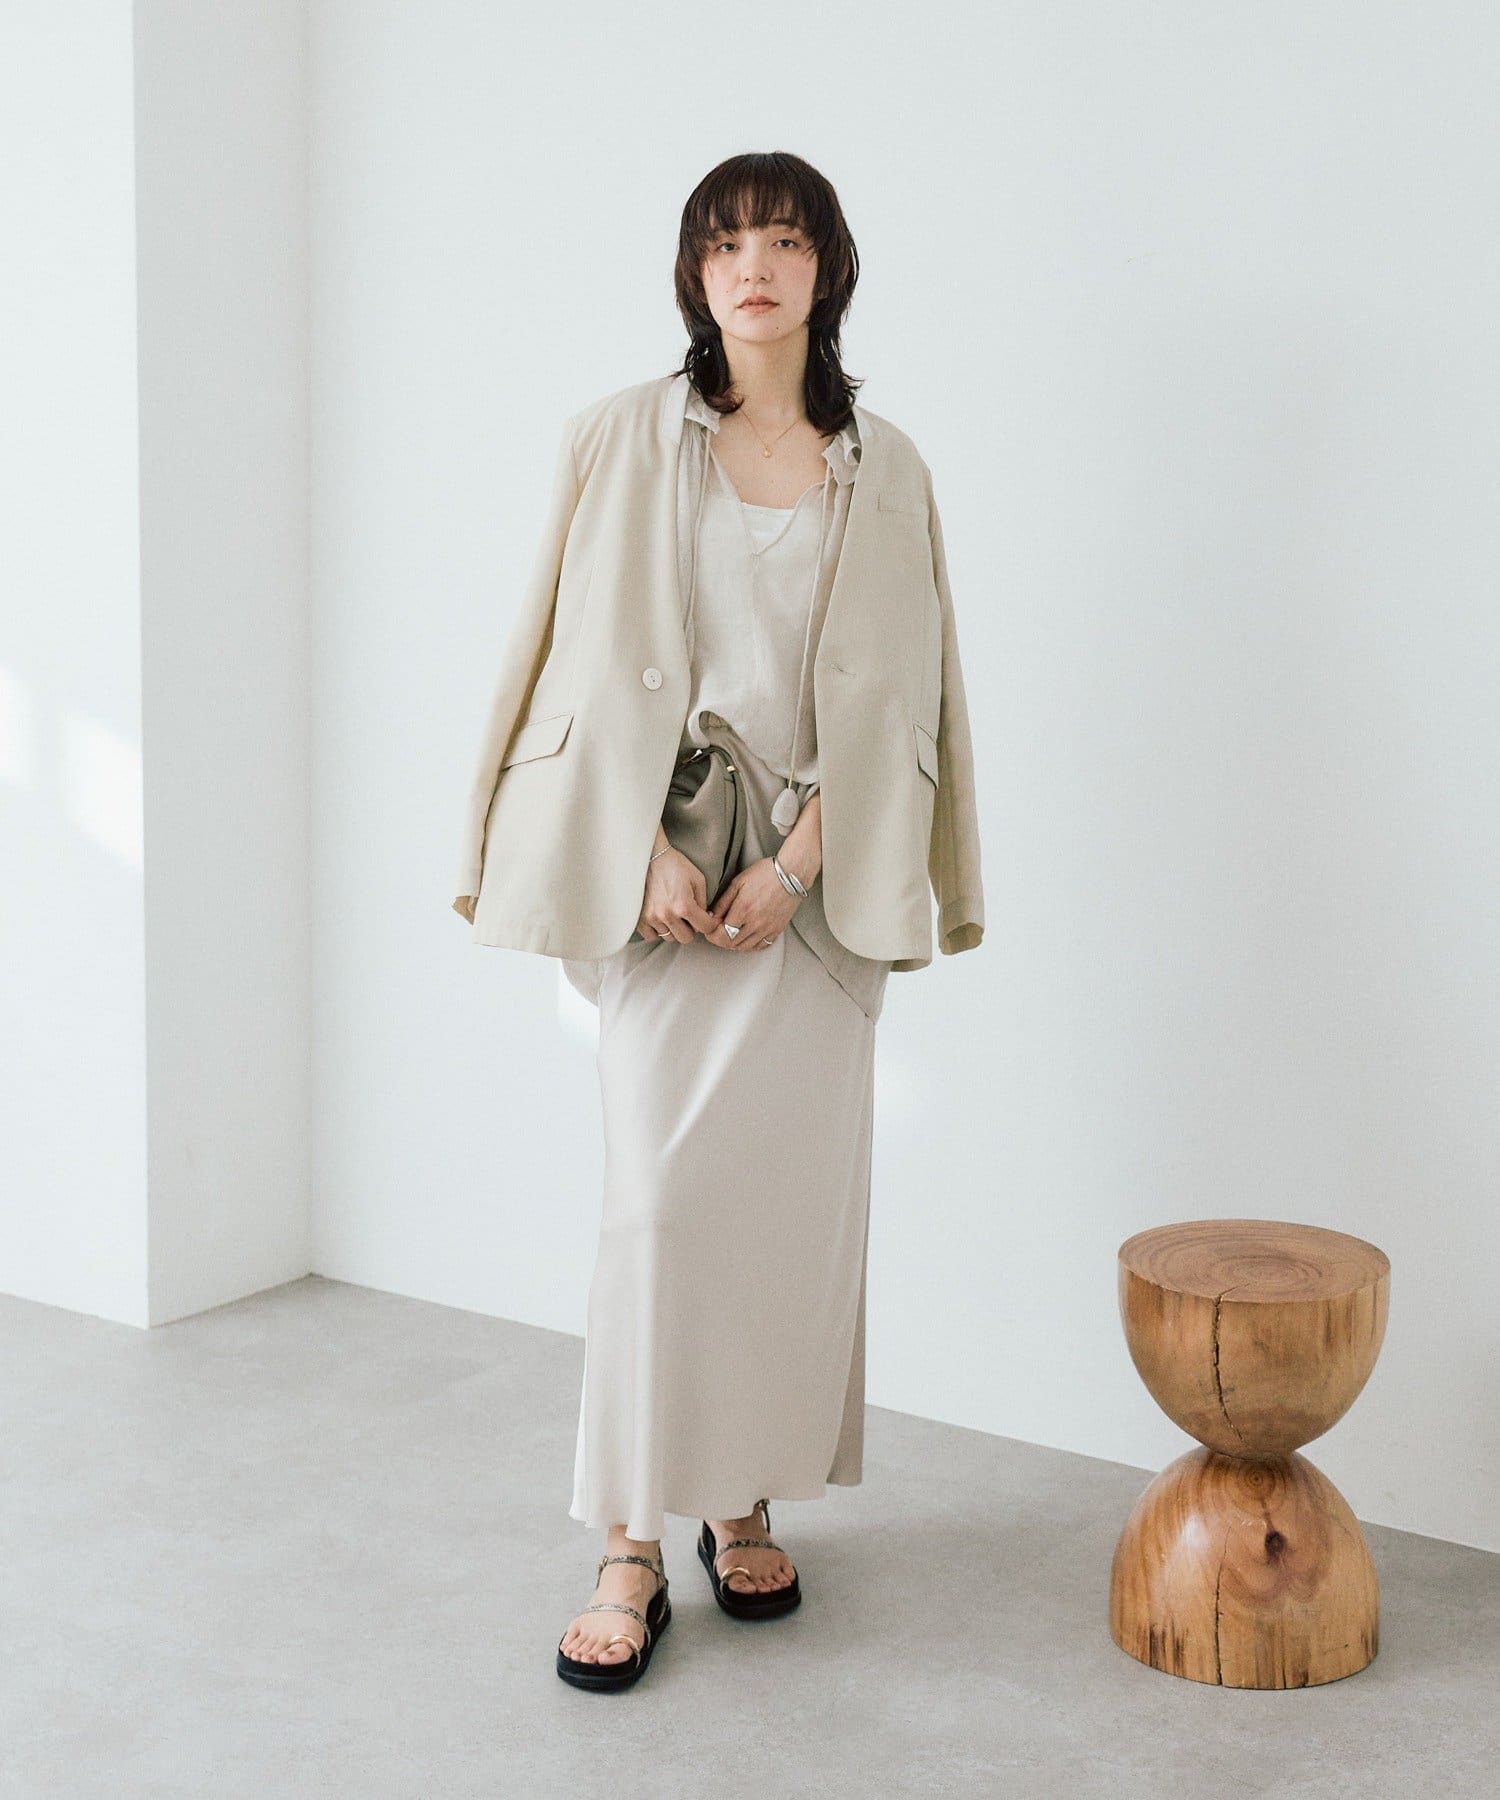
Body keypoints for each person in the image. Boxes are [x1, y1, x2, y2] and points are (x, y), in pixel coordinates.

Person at [451, 151, 985, 1692]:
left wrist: (801, 861)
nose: (755, 265)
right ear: (695, 273)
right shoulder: (618, 437)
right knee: (657, 1212)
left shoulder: (888, 468)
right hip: (664, 877)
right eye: (727, 241)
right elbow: (562, 660)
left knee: (781, 1218)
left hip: (812, 886)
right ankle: (629, 1537)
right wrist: (629, 852)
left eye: (785, 240)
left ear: (829, 270)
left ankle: (738, 1499)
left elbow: (908, 698)